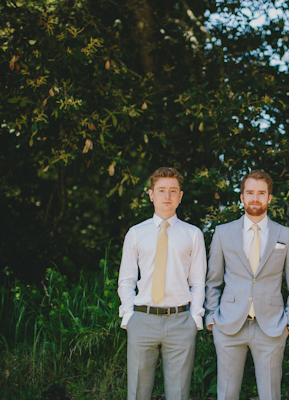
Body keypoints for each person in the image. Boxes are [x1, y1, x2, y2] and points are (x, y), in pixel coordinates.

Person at [205, 170, 289, 400]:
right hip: (229, 326)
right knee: (226, 395)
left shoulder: (286, 235)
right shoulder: (223, 233)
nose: (255, 198)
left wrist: (288, 323)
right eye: (250, 192)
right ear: (242, 197)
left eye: (261, 193)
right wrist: (211, 319)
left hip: (271, 328)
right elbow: (213, 281)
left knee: (270, 395)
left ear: (270, 198)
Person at [118, 167, 206, 400]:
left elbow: (198, 282)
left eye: (172, 191)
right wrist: (129, 317)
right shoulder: (136, 233)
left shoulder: (193, 234)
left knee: (178, 393)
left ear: (180, 196)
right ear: (151, 195)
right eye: (161, 190)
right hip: (142, 320)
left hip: (180, 321)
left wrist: (195, 319)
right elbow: (126, 280)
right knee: (138, 392)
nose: (167, 196)